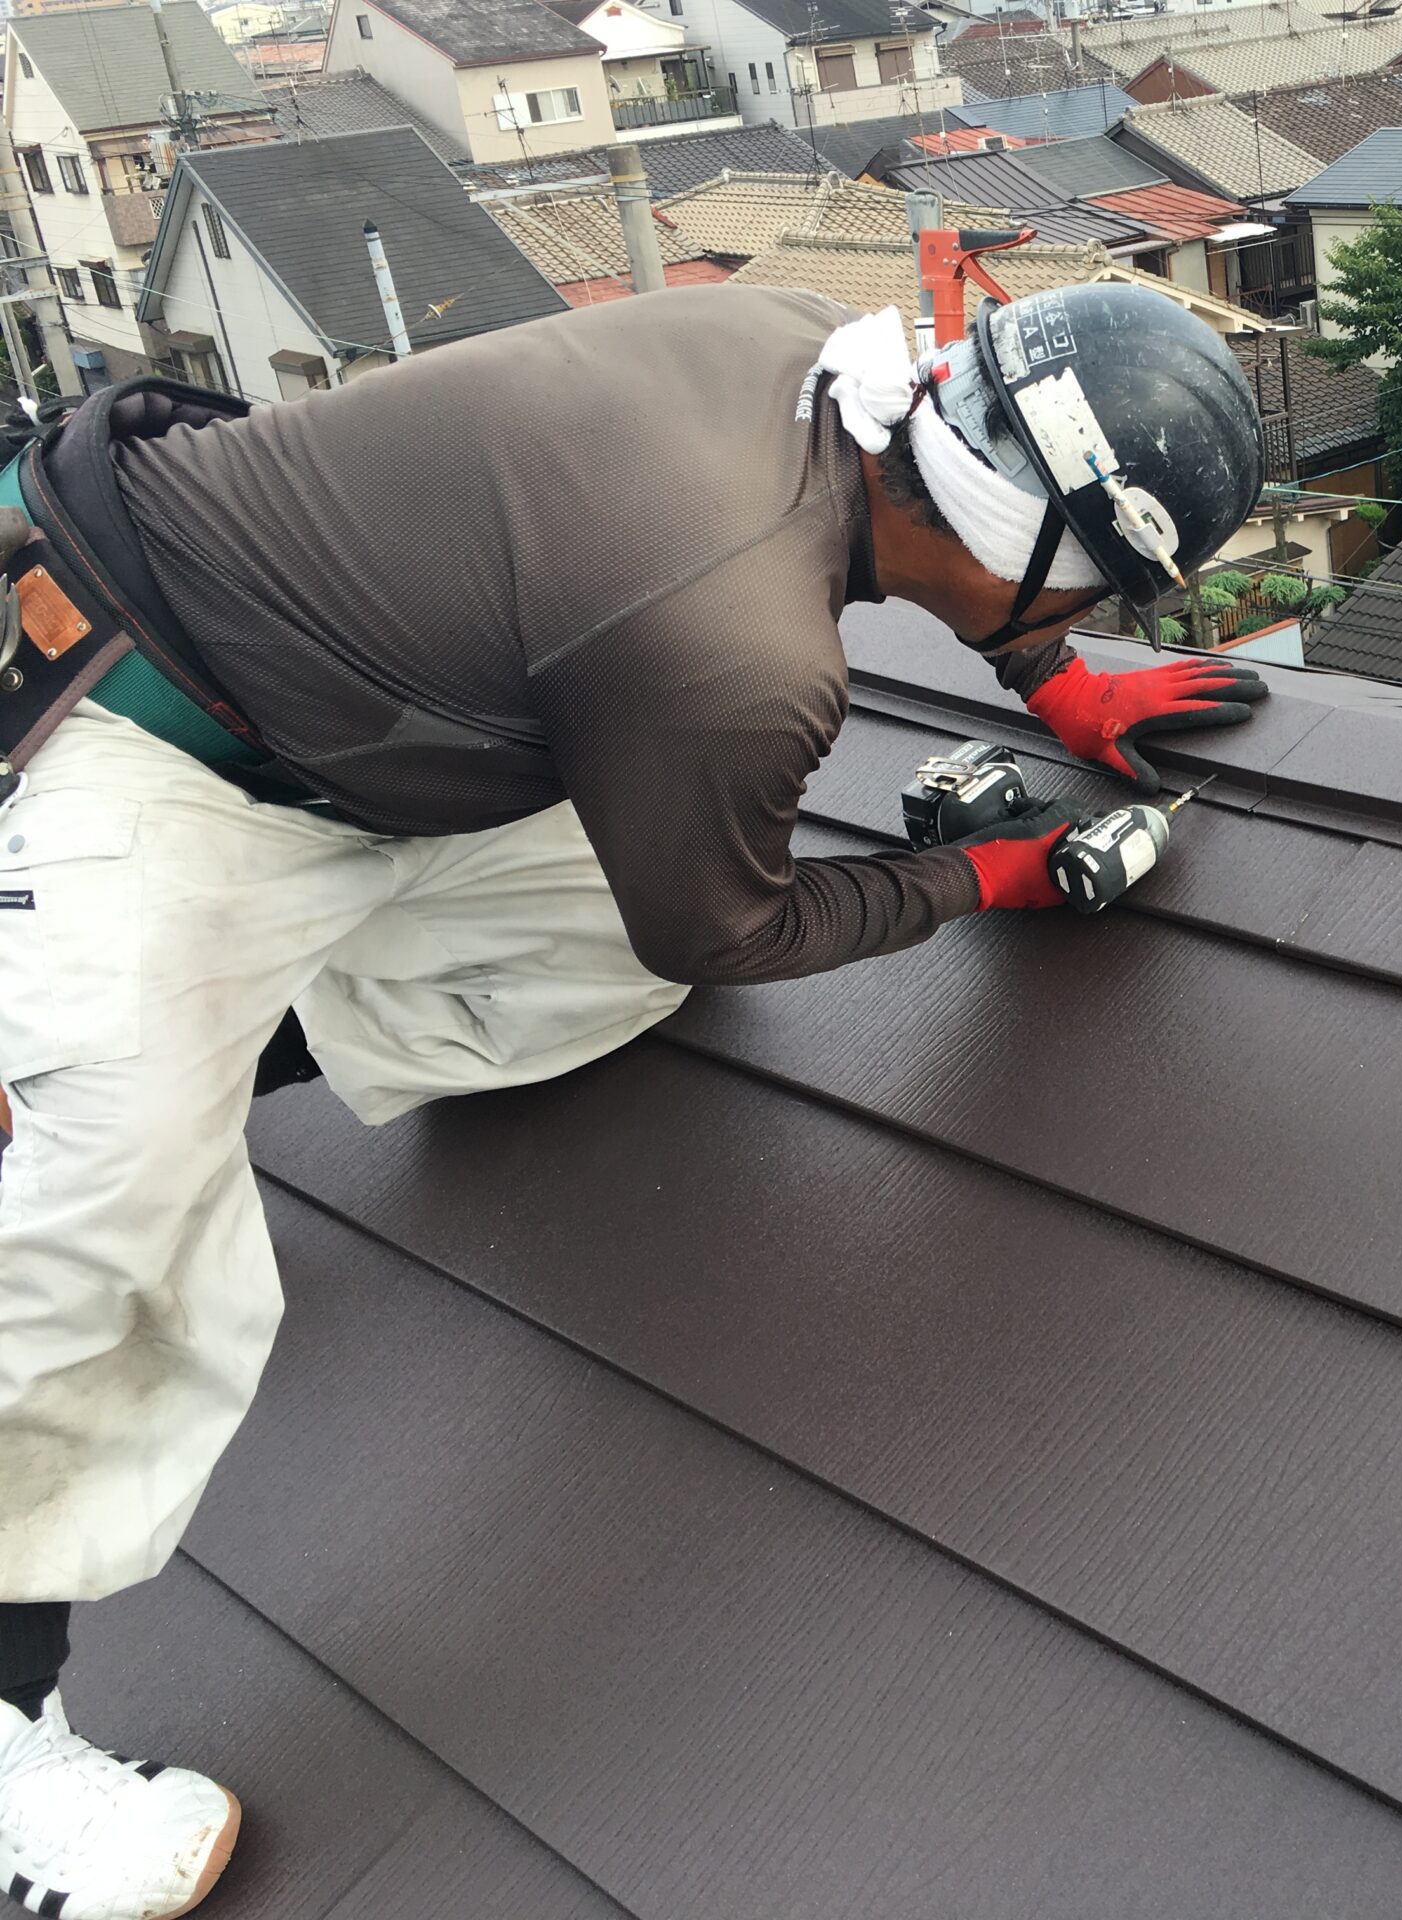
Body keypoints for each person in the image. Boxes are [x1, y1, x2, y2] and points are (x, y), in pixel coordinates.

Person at [0, 280, 1268, 1919]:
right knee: (110, 1228)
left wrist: (1055, 685)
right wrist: (983, 881)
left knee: (592, 962)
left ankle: (209, 1042)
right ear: (1036, 540)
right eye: (1096, 595)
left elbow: (970, 508)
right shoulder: (739, 645)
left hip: (362, 735)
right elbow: (730, 925)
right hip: (116, 717)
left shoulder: (813, 351)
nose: (1088, 612)